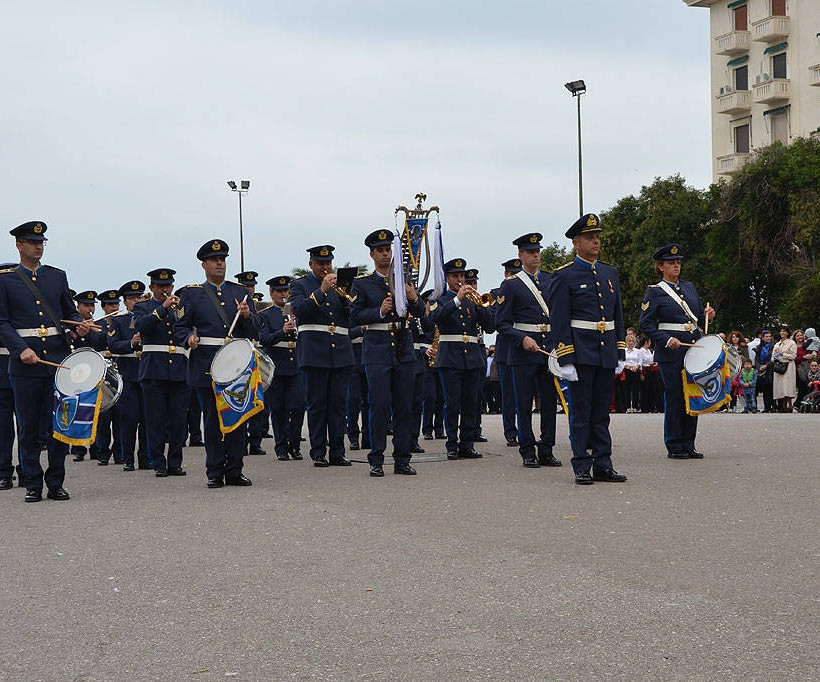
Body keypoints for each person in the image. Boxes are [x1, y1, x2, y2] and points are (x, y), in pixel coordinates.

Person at [0, 221, 88, 502]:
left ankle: (56, 482)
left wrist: (78, 324)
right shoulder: (5, 279)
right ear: (19, 245)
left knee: (59, 425)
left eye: (41, 242)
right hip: (25, 364)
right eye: (32, 242)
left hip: (57, 362)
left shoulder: (57, 276)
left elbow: (68, 311)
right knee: (28, 428)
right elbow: (2, 322)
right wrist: (20, 349)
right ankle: (32, 483)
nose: (38, 247)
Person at [547, 213, 628, 485]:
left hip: (605, 352)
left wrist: (619, 351)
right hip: (581, 352)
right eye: (590, 237)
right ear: (576, 242)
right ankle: (582, 464)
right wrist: (566, 357)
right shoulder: (564, 275)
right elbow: (559, 320)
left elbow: (617, 315)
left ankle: (603, 464)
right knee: (581, 412)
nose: (596, 241)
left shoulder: (609, 272)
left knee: (601, 413)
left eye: (597, 237)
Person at [349, 229, 424, 477]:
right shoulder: (362, 283)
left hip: (403, 345)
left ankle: (402, 459)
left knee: (404, 406)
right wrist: (379, 311)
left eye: (388, 249)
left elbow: (421, 313)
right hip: (377, 347)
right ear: (371, 254)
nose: (385, 254)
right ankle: (376, 459)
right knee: (379, 405)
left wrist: (414, 298)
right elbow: (355, 316)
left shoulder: (403, 280)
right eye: (380, 250)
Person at [638, 243, 716, 460]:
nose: (676, 266)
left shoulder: (689, 288)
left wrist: (708, 316)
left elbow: (698, 318)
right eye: (671, 263)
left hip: (693, 350)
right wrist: (666, 339)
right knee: (675, 397)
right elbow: (646, 324)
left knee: (692, 395)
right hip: (671, 352)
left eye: (678, 262)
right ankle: (674, 444)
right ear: (660, 266)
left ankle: (689, 443)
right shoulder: (654, 292)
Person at [495, 232, 561, 468]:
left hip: (547, 349)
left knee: (549, 403)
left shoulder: (551, 280)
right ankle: (527, 450)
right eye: (531, 252)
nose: (536, 256)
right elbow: (501, 323)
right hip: (523, 352)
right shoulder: (511, 285)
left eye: (537, 252)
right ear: (520, 255)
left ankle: (547, 449)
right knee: (523, 404)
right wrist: (521, 338)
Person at [289, 245, 354, 467]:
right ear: (311, 264)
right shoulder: (300, 285)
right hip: (314, 353)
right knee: (317, 404)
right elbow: (299, 310)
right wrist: (322, 290)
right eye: (320, 263)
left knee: (338, 405)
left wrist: (346, 298)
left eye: (328, 263)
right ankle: (318, 451)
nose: (325, 267)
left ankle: (337, 451)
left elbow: (353, 316)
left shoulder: (340, 286)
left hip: (340, 353)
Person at [429, 258, 493, 460]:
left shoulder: (472, 300)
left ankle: (467, 444)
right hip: (450, 358)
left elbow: (490, 327)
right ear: (447, 278)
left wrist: (482, 307)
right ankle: (451, 444)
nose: (460, 280)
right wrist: (457, 299)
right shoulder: (440, 299)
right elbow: (434, 318)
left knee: (471, 403)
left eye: (462, 276)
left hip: (472, 358)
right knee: (452, 404)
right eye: (455, 276)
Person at [133, 268, 191, 477]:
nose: (164, 289)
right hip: (153, 370)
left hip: (179, 370)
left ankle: (175, 462)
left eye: (168, 286)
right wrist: (162, 309)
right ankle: (158, 462)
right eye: (160, 286)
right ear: (152, 287)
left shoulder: (181, 307)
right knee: (155, 420)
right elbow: (141, 326)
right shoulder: (143, 307)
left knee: (178, 420)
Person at [258, 275, 305, 461]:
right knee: (279, 408)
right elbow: (264, 339)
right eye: (279, 291)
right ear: (271, 293)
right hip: (277, 366)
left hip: (296, 364)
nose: (283, 294)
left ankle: (294, 444)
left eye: (286, 291)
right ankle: (281, 447)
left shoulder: (297, 312)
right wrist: (282, 331)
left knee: (298, 406)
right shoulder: (266, 315)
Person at [108, 280, 149, 471]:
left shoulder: (149, 318)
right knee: (129, 418)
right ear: (125, 302)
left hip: (146, 372)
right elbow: (113, 345)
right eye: (132, 298)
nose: (136, 301)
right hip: (128, 374)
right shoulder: (119, 321)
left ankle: (145, 458)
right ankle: (128, 458)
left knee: (147, 418)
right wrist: (131, 343)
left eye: (139, 297)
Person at [493, 258, 523, 447]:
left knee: (524, 394)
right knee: (509, 395)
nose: (515, 277)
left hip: (522, 347)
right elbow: (495, 320)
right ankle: (510, 432)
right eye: (513, 274)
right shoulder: (497, 294)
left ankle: (525, 431)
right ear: (506, 274)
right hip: (505, 349)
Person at [464, 268, 489, 444]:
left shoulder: (478, 302)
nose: (473, 286)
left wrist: (481, 307)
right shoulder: (459, 301)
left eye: (474, 283)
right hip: (464, 349)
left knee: (477, 393)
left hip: (478, 349)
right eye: (469, 283)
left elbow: (490, 326)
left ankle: (476, 429)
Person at [772, 325, 797, 412]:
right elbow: (772, 357)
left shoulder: (792, 343)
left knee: (788, 385)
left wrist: (782, 354)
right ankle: (782, 405)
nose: (782, 333)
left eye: (784, 331)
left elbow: (793, 356)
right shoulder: (777, 344)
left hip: (788, 366)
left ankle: (790, 405)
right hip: (779, 366)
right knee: (780, 386)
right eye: (781, 331)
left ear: (787, 333)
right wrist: (775, 356)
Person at [619, 333, 642, 413]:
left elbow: (640, 361)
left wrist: (636, 366)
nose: (631, 342)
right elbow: (622, 361)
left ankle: (635, 407)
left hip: (635, 370)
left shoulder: (638, 351)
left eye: (632, 341)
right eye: (629, 341)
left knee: (635, 389)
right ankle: (627, 407)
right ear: (626, 342)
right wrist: (627, 366)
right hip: (626, 370)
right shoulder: (624, 351)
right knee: (626, 389)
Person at [755, 330, 775, 413]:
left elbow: (774, 358)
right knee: (764, 389)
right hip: (761, 370)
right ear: (762, 338)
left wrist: (766, 365)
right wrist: (758, 367)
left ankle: (773, 406)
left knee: (771, 388)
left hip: (770, 369)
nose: (768, 338)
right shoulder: (759, 347)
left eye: (769, 336)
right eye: (766, 336)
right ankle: (766, 407)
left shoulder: (774, 346)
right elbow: (756, 359)